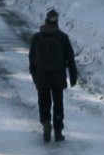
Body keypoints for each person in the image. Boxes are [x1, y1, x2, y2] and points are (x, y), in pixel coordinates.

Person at [28, 8, 79, 142]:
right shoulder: (62, 37)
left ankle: (46, 123)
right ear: (57, 22)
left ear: (45, 20)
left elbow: (32, 58)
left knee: (43, 101)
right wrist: (73, 76)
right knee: (58, 103)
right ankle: (58, 131)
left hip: (42, 76)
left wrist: (34, 75)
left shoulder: (37, 38)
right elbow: (70, 58)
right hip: (58, 76)